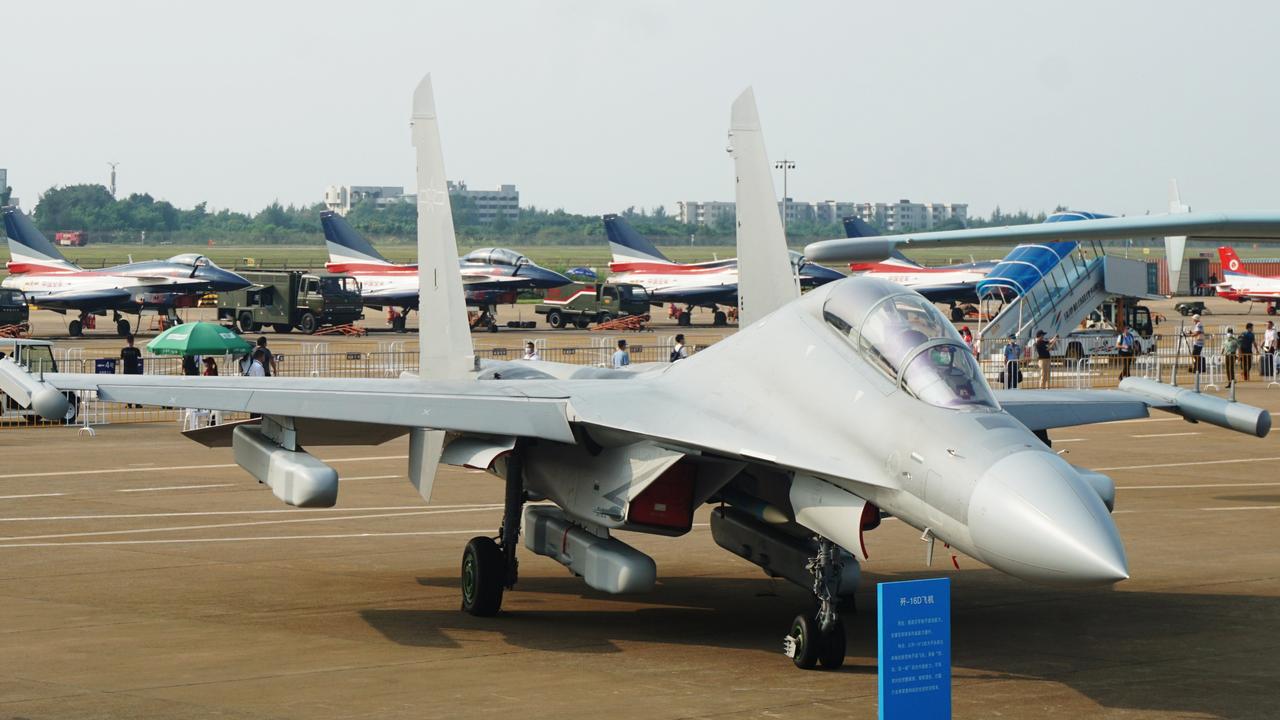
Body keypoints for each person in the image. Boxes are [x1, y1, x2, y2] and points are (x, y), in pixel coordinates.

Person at [120, 334, 143, 407]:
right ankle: (137, 403)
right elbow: (139, 356)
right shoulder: (136, 350)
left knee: (128, 387)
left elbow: (121, 357)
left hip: (126, 371)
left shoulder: (124, 350)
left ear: (126, 341)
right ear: (133, 341)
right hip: (134, 370)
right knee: (135, 387)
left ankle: (129, 403)